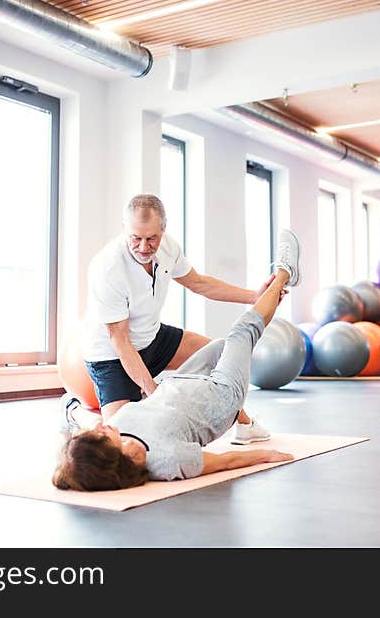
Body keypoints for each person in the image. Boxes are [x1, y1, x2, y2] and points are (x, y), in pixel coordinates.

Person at [53, 229, 301, 490]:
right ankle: (285, 273)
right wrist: (265, 456)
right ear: (111, 456)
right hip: (222, 397)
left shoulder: (114, 429)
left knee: (219, 346)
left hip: (180, 383)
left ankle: (69, 409)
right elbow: (225, 461)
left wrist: (75, 415)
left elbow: (200, 283)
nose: (101, 429)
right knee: (242, 331)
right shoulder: (168, 461)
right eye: (100, 436)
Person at [73, 194, 286, 444]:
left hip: (152, 337)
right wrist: (155, 396)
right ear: (124, 229)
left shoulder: (168, 249)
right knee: (124, 439)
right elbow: (120, 341)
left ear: (163, 229)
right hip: (111, 356)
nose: (143, 247)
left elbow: (199, 283)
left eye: (151, 238)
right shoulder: (107, 268)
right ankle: (74, 410)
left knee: (222, 356)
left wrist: (253, 296)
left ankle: (245, 424)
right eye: (136, 238)